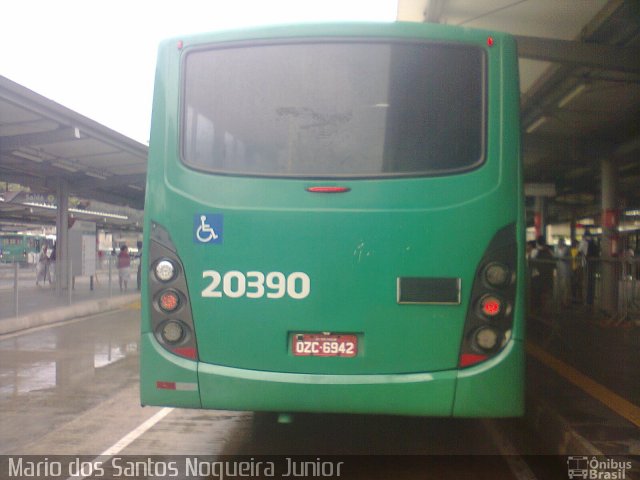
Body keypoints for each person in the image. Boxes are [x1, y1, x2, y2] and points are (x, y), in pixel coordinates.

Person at [554, 237, 570, 307]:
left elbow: (561, 256)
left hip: (565, 269)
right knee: (558, 285)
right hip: (558, 268)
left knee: (564, 286)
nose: (560, 243)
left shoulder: (566, 249)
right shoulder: (556, 248)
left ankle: (565, 301)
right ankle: (558, 300)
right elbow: (555, 256)